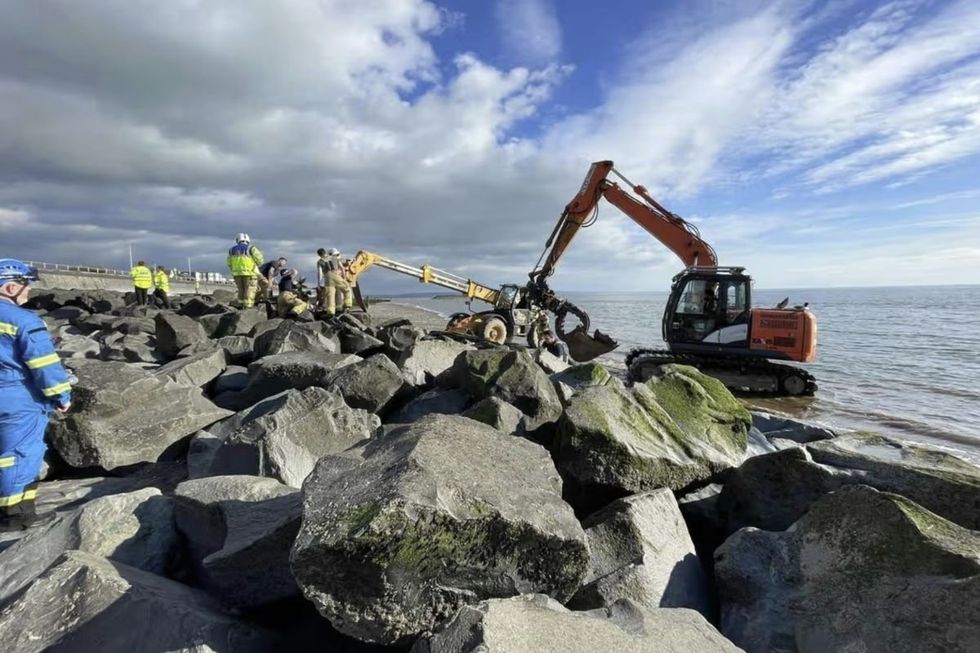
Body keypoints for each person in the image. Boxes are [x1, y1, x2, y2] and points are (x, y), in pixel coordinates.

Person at [0, 259, 71, 532]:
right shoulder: (23, 320)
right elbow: (43, 366)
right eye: (26, 285)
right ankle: (14, 517)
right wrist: (61, 395)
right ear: (9, 287)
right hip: (17, 398)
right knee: (18, 456)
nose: (29, 291)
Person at [226, 233, 264, 308]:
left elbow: (229, 263)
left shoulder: (231, 250)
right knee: (250, 290)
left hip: (237, 274)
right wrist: (256, 265)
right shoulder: (251, 248)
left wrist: (235, 270)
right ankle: (248, 307)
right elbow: (260, 260)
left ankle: (240, 305)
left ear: (238, 240)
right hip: (250, 274)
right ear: (248, 240)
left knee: (241, 290)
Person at [324, 247, 352, 316]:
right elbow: (342, 268)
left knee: (330, 295)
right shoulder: (336, 259)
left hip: (327, 278)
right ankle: (347, 305)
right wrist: (344, 278)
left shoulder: (324, 260)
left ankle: (331, 311)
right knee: (347, 289)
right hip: (335, 275)